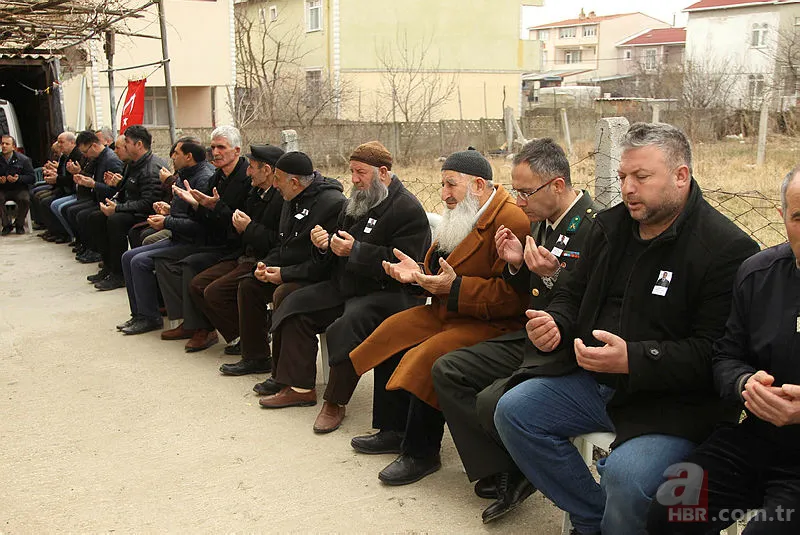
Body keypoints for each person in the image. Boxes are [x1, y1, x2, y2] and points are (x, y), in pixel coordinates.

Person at [491, 122, 759, 535]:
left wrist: (634, 358)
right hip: (596, 383)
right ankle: (592, 517)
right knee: (514, 411)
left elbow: (715, 353)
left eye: (642, 177)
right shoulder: (609, 227)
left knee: (627, 477)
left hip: (673, 404)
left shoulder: (725, 249)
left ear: (681, 175)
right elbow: (571, 291)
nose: (629, 188)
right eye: (622, 177)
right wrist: (557, 322)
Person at [431, 139, 601, 523]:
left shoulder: (594, 228)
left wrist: (550, 274)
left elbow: (589, 299)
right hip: (532, 334)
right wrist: (516, 265)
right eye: (519, 192)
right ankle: (502, 468)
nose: (520, 201)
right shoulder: (542, 223)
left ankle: (521, 469)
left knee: (493, 400)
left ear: (557, 185)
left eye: (526, 192)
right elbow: (534, 284)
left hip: (563, 343)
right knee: (447, 369)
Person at [343, 148, 530, 482]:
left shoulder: (511, 220)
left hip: (493, 323)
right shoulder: (465, 211)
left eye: (450, 185)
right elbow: (442, 267)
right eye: (442, 185)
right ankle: (394, 428)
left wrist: (452, 288)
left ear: (477, 185)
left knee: (430, 353)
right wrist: (417, 275)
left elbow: (513, 297)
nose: (444, 194)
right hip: (451, 309)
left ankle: (420, 451)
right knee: (394, 331)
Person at [647, 166, 800, 535]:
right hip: (759, 438)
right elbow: (725, 356)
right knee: (670, 512)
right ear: (782, 217)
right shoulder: (757, 274)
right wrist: (746, 382)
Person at [256, 141, 431, 425]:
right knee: (294, 303)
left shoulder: (406, 209)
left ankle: (335, 402)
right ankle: (300, 387)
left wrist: (356, 251)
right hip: (348, 284)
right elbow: (337, 245)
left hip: (388, 294)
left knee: (346, 326)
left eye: (360, 172)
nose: (354, 179)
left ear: (383, 172)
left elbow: (406, 263)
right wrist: (324, 245)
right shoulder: (357, 201)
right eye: (352, 171)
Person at [230, 150, 346, 380]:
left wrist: (284, 275)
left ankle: (281, 375)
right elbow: (285, 245)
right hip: (289, 270)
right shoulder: (290, 197)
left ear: (294, 182)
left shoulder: (331, 204)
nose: (274, 185)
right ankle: (256, 357)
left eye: (278, 179)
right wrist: (266, 266)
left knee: (283, 294)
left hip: (317, 278)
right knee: (250, 284)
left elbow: (324, 263)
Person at [154, 125, 251, 351]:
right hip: (217, 240)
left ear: (236, 151)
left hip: (239, 246)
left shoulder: (247, 178)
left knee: (193, 266)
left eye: (221, 147)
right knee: (166, 258)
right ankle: (194, 323)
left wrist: (210, 207)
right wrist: (196, 205)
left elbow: (239, 219)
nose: (215, 152)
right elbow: (207, 217)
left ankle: (207, 329)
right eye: (213, 147)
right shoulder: (217, 176)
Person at [187, 144, 285, 357]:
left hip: (262, 259)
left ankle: (254, 342)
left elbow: (276, 242)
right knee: (198, 284)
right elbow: (235, 225)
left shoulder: (281, 198)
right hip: (242, 254)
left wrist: (248, 228)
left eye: (252, 167)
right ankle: (243, 334)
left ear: (266, 170)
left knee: (218, 291)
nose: (248, 171)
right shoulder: (255, 191)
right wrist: (213, 207)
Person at [116, 138, 215, 335]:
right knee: (128, 257)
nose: (172, 157)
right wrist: (169, 211)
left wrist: (166, 222)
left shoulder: (203, 178)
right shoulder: (185, 174)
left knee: (139, 261)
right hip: (179, 236)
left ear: (189, 157)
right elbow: (186, 212)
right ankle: (139, 314)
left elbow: (200, 225)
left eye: (176, 153)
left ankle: (150, 317)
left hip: (196, 242)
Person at [86, 125, 165, 290]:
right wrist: (118, 185)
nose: (123, 145)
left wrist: (118, 209)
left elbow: (147, 203)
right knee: (96, 217)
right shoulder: (133, 164)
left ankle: (118, 274)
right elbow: (130, 189)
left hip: (146, 213)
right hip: (132, 208)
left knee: (116, 220)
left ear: (139, 145)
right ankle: (109, 266)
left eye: (127, 142)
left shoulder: (150, 168)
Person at [0, 134, 35, 235]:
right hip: (2, 189)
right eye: (2, 143)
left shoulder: (24, 160)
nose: (4, 146)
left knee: (25, 199)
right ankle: (6, 225)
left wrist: (18, 178)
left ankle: (19, 224)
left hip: (19, 188)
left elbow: (32, 178)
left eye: (7, 144)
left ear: (13, 147)